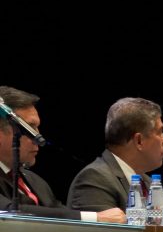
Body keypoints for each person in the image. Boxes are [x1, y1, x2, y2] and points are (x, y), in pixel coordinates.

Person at [0, 86, 125, 223]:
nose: (38, 136)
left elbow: (62, 215)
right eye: (29, 127)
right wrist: (95, 218)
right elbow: (7, 211)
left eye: (37, 128)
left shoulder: (36, 182)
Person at [68, 97, 163, 212]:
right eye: (159, 132)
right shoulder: (94, 179)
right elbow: (100, 230)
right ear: (139, 141)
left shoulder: (149, 183)